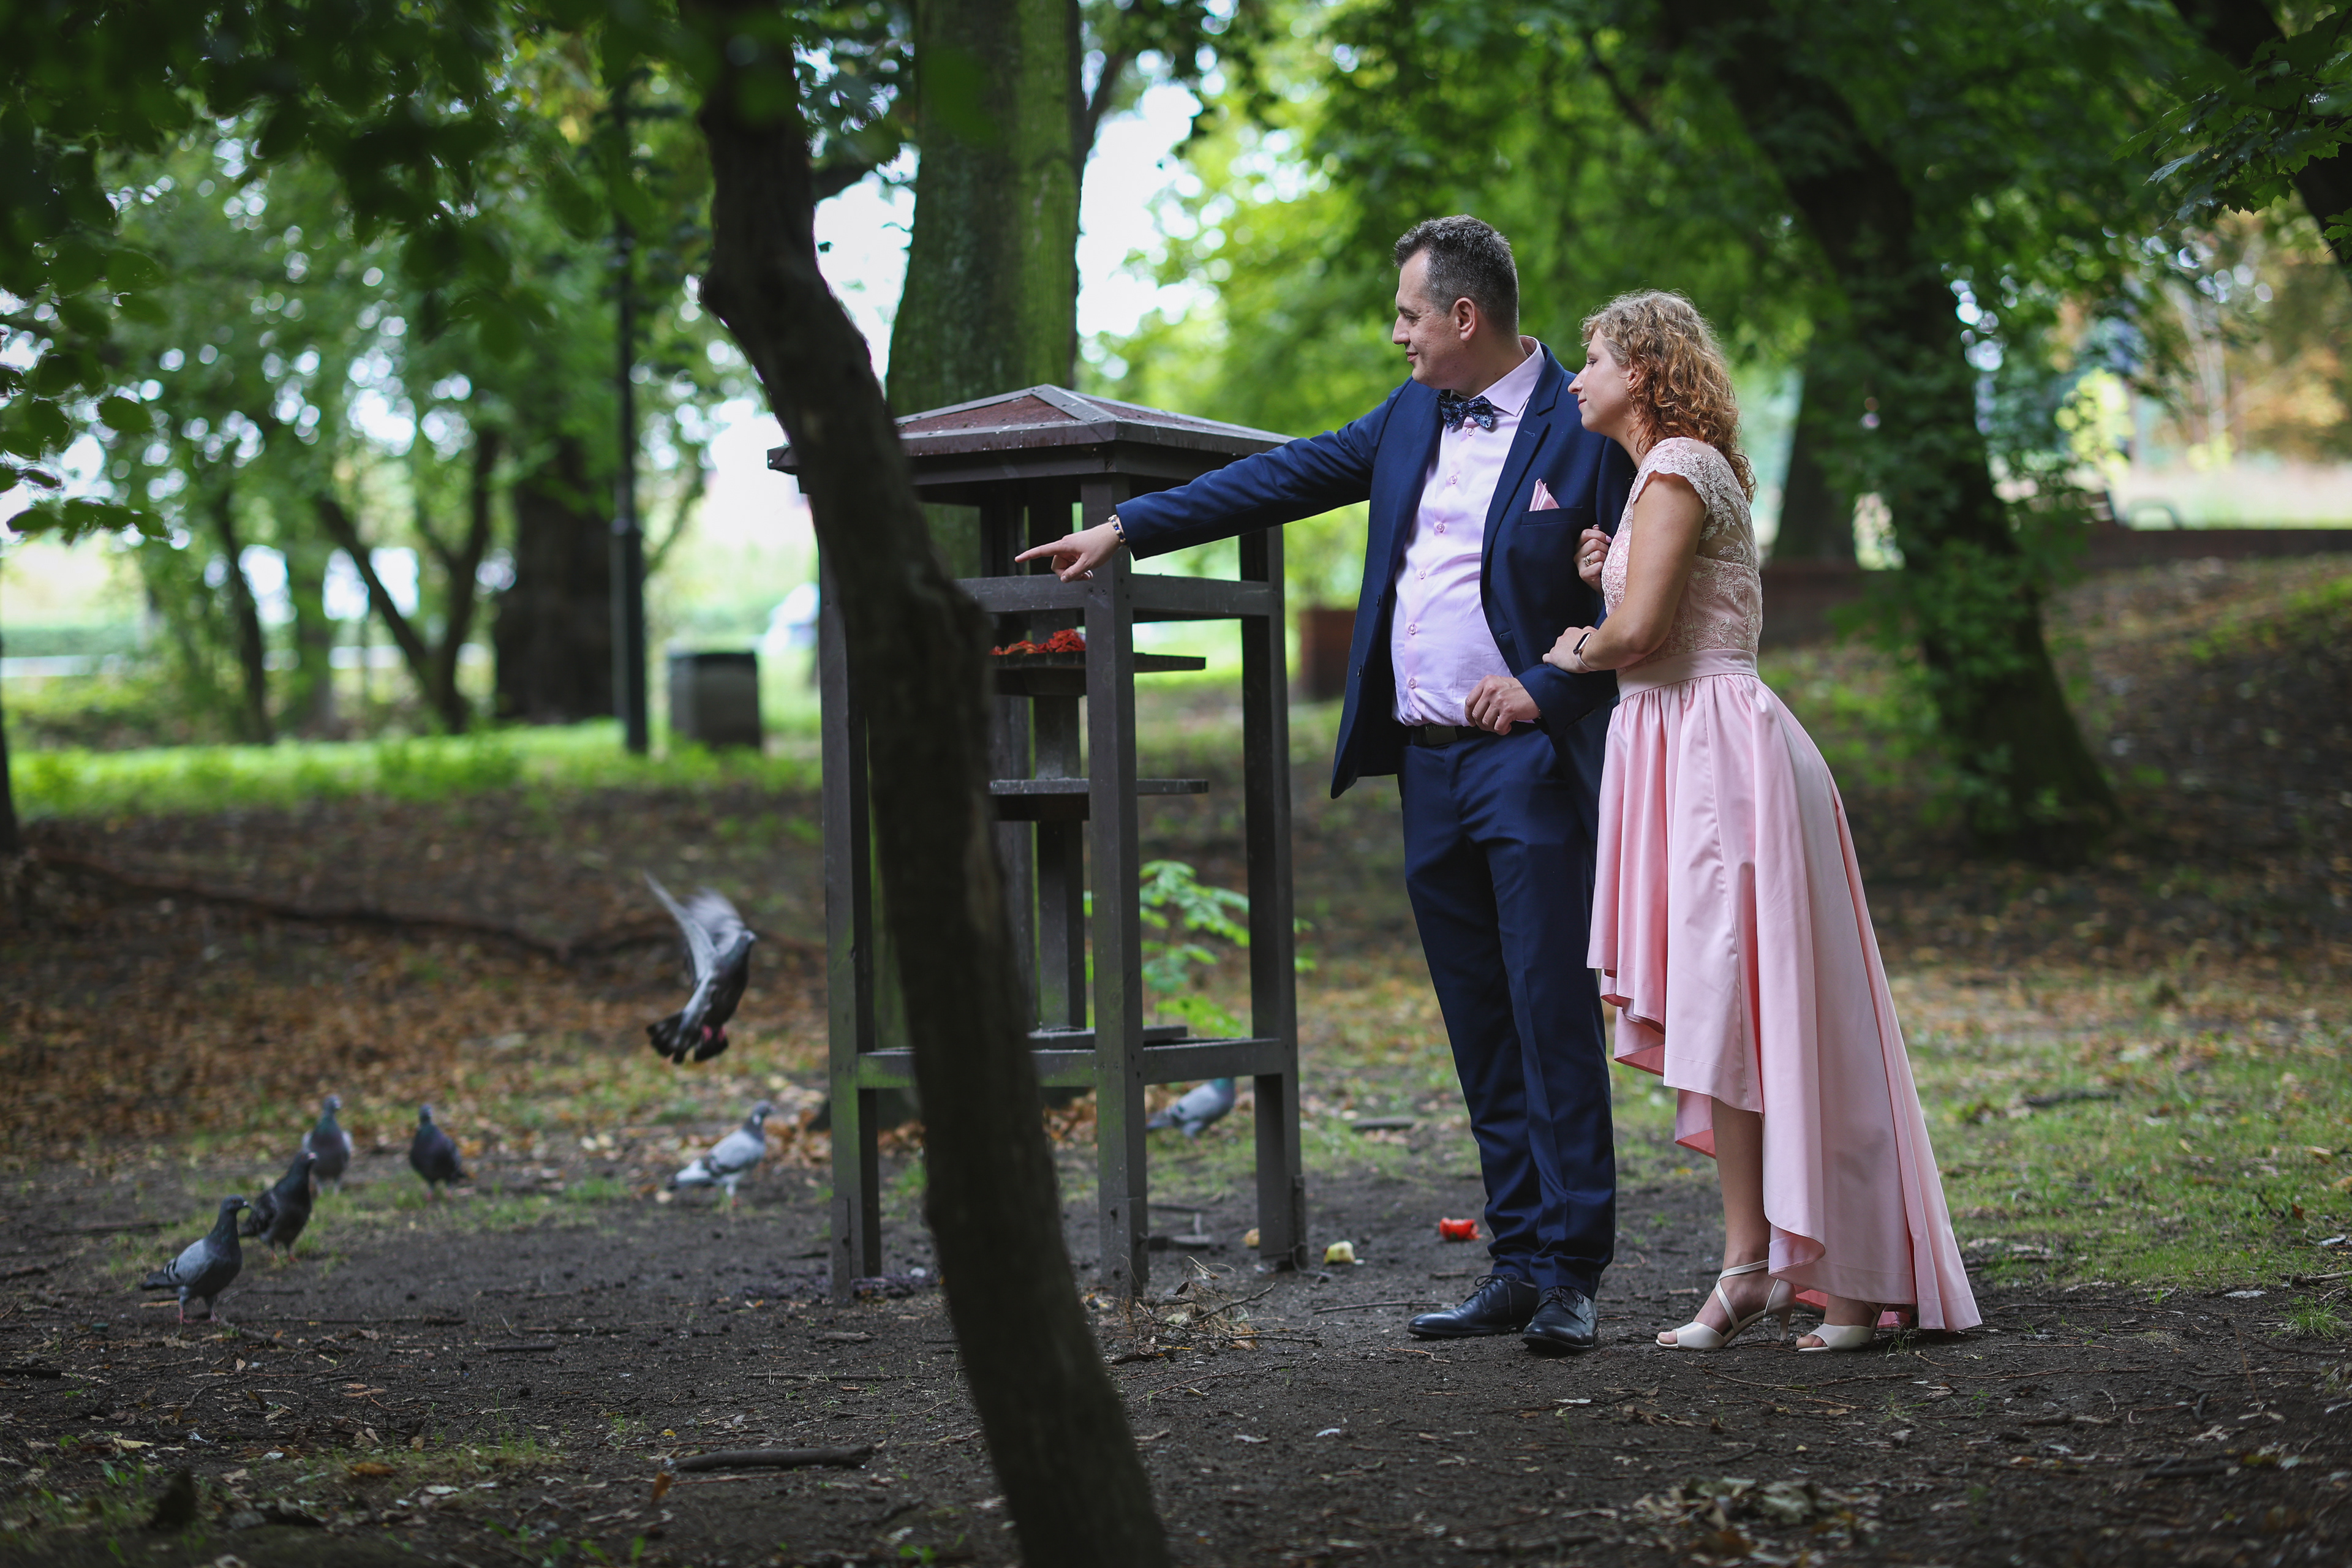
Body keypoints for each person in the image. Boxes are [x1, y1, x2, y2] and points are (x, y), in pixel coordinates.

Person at [1019, 216, 1634, 1354]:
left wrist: (1549, 688)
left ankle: (1572, 1271)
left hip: (1532, 762)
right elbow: (1286, 475)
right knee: (1477, 1017)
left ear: (1464, 316)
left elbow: (1646, 583)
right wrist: (1126, 529)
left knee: (1549, 1010)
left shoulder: (1587, 419)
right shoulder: (1408, 416)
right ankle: (1515, 1260)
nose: (1396, 334)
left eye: (1409, 314)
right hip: (1427, 766)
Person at [1545, 291, 1979, 1351]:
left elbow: (1643, 636)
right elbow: (1663, 610)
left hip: (1715, 761)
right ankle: (1755, 1265)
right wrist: (1610, 577)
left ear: (1641, 370)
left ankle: (1845, 1275)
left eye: (1592, 358)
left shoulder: (1676, 467)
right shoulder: (1670, 475)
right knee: (1725, 1015)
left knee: (1769, 1006)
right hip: (1685, 748)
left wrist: (1578, 646)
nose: (1576, 377)